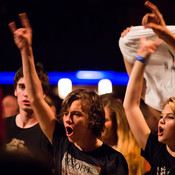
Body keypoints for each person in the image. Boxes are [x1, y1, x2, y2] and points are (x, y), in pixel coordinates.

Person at [8, 13, 128, 175]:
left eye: (76, 114)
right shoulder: (61, 141)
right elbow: (36, 98)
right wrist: (26, 51)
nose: (67, 119)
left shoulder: (113, 160)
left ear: (92, 120)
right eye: (66, 113)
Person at [123, 1, 175, 174]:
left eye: (169, 117)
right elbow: (130, 106)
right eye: (162, 116)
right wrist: (141, 55)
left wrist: (165, 34)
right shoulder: (156, 150)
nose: (161, 120)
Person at [3, 62, 56, 168]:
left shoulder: (51, 133)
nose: (26, 93)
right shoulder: (3, 125)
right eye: (22, 87)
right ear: (15, 90)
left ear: (44, 94)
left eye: (32, 89)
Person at [100, 93, 147, 175]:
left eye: (105, 120)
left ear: (116, 122)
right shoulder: (90, 149)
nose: (99, 124)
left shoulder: (134, 154)